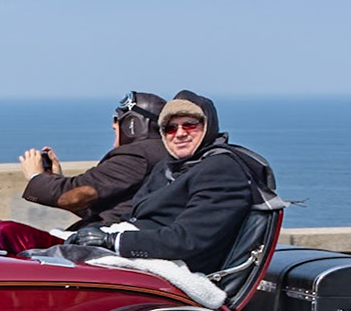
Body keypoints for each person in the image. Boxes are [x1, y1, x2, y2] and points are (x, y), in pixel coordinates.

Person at [65, 92, 256, 274]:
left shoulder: (221, 169)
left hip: (177, 270)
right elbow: (133, 216)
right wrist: (99, 232)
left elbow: (188, 240)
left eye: (189, 125)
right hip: (145, 257)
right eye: (171, 128)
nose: (179, 133)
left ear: (208, 127)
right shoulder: (169, 166)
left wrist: (112, 240)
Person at [0, 91, 169, 254]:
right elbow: (100, 206)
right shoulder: (158, 154)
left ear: (132, 125)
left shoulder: (137, 155)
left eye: (117, 123)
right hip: (107, 237)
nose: (114, 127)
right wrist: (56, 179)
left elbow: (79, 193)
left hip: (96, 245)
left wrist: (36, 177)